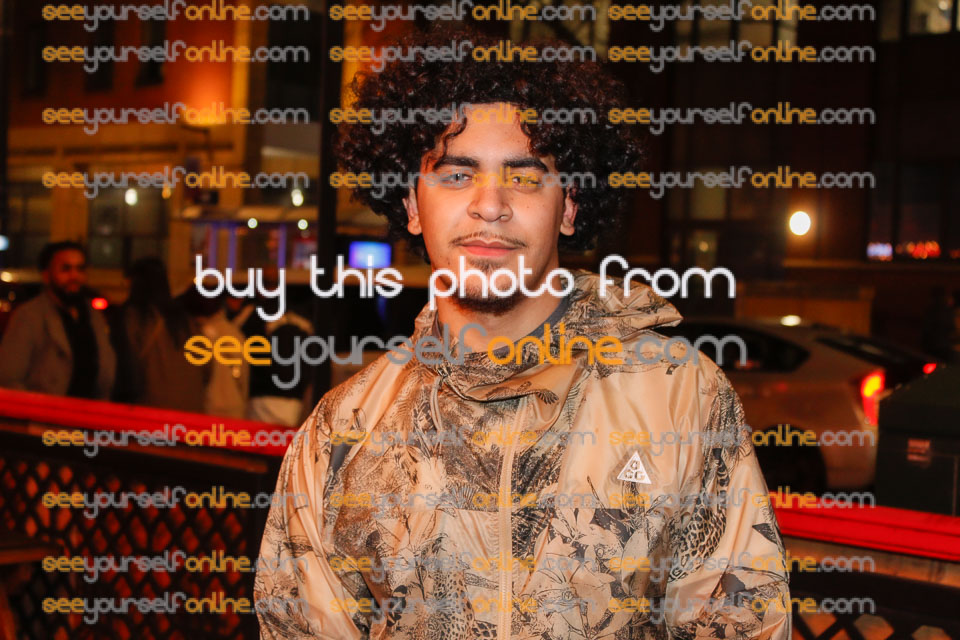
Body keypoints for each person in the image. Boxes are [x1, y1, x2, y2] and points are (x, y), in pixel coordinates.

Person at [255, 27, 790, 640]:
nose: (491, 205)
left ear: (569, 205)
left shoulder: (679, 397)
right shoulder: (342, 431)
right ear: (411, 205)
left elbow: (744, 620)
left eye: (526, 177)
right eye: (457, 175)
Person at [0, 241, 115, 399]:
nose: (74, 276)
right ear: (47, 275)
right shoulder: (29, 315)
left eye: (80, 269)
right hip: (47, 411)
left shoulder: (92, 315)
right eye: (65, 269)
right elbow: (8, 377)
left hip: (88, 410)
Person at [113, 257, 206, 412]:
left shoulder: (134, 318)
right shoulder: (186, 320)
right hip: (191, 411)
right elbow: (207, 367)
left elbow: (127, 370)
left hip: (150, 410)